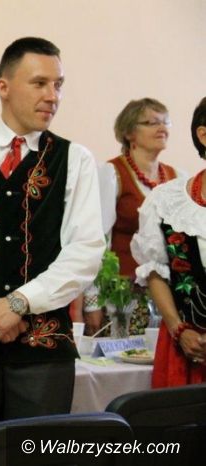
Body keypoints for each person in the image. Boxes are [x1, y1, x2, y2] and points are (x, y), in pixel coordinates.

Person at [0, 37, 105, 465]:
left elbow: (84, 251)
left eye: (59, 85)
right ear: (4, 86)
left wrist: (18, 303)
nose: (53, 96)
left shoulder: (74, 159)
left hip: (43, 353)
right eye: (40, 83)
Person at [83, 98, 181, 336]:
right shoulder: (111, 173)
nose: (162, 128)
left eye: (165, 122)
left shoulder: (176, 177)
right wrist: (92, 301)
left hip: (166, 297)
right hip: (120, 297)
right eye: (152, 122)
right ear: (129, 133)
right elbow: (97, 238)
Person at [131, 96, 206, 388]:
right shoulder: (167, 200)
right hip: (185, 346)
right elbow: (156, 271)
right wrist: (179, 330)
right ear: (203, 135)